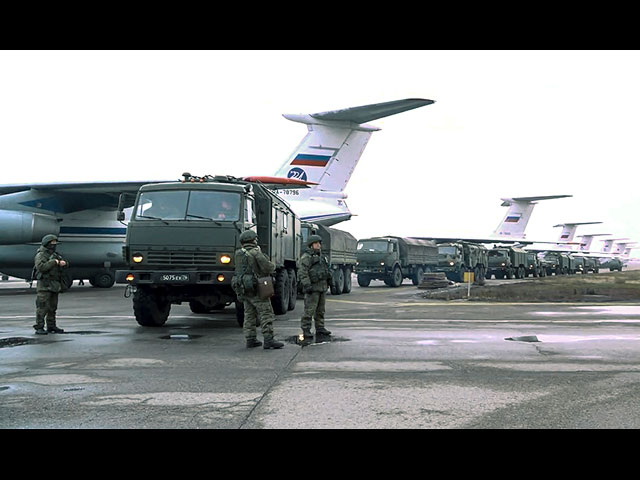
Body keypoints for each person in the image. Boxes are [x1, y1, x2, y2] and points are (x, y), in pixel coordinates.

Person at [232, 230, 284, 349]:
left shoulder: (238, 253)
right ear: (253, 240)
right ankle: (269, 339)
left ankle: (250, 339)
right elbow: (268, 267)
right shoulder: (256, 252)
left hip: (244, 288)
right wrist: (273, 265)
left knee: (249, 314)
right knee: (266, 313)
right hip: (256, 288)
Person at [33, 234, 69, 334]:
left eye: (55, 244)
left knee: (52, 307)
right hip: (44, 286)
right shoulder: (41, 255)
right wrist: (54, 262)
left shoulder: (55, 254)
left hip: (54, 285)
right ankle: (39, 327)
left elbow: (65, 264)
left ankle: (51, 326)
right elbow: (41, 267)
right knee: (42, 307)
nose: (54, 246)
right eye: (52, 244)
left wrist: (63, 263)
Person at [298, 234, 332, 339]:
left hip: (322, 287)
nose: (318, 245)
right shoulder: (306, 257)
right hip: (312, 288)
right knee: (309, 310)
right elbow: (303, 272)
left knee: (320, 310)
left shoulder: (322, 257)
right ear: (311, 245)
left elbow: (327, 270)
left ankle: (320, 327)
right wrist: (307, 285)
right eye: (316, 243)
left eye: (319, 243)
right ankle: (306, 329)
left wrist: (330, 281)